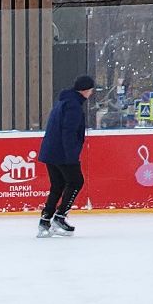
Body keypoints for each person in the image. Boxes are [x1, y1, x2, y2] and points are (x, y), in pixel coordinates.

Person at [37, 75, 95, 238]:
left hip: (51, 151)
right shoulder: (73, 106)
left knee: (58, 185)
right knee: (76, 181)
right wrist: (71, 156)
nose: (91, 93)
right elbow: (68, 132)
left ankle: (45, 221)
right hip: (62, 153)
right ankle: (60, 217)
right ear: (84, 90)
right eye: (90, 90)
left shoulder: (64, 101)